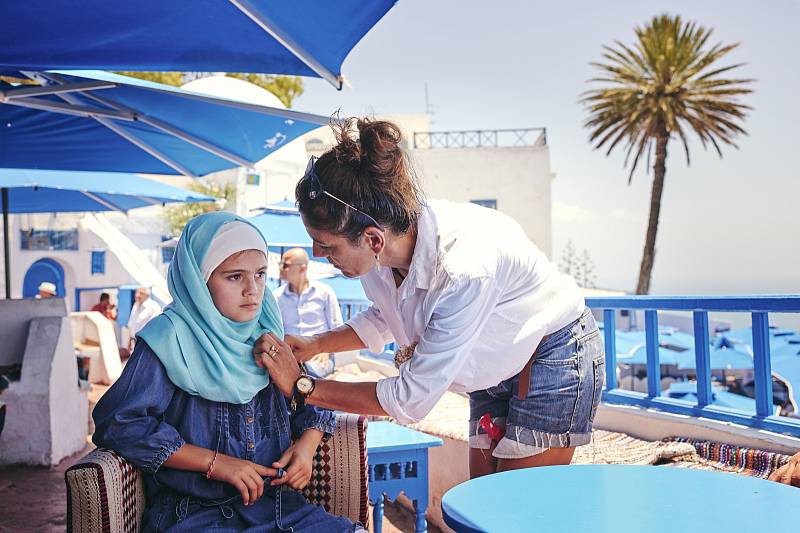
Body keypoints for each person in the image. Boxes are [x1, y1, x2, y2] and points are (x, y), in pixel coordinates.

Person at [254, 118, 605, 479]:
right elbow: (387, 315)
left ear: (373, 240)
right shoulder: (384, 245)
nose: (315, 253)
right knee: (482, 501)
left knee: (512, 507)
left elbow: (410, 399)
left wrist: (302, 386)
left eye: (327, 246)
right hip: (493, 363)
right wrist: (315, 344)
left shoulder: (463, 269)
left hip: (550, 352)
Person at [92, 212, 359, 532]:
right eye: (235, 277)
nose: (253, 290)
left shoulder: (267, 333)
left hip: (279, 510)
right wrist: (215, 463)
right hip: (194, 515)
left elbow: (311, 392)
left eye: (260, 274)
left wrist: (307, 446)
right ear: (198, 280)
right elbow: (119, 423)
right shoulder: (168, 340)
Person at [273, 248, 343, 377]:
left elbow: (337, 327)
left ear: (302, 268)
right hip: (290, 356)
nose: (281, 268)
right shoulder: (276, 297)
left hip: (319, 355)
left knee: (308, 373)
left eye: (286, 265)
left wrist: (325, 349)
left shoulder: (324, 292)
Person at [126, 287, 161, 351]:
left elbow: (155, 327)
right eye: (137, 292)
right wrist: (129, 341)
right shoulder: (136, 305)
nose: (137, 295)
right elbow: (132, 324)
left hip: (146, 344)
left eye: (141, 293)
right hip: (135, 342)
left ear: (147, 295)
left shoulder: (154, 306)